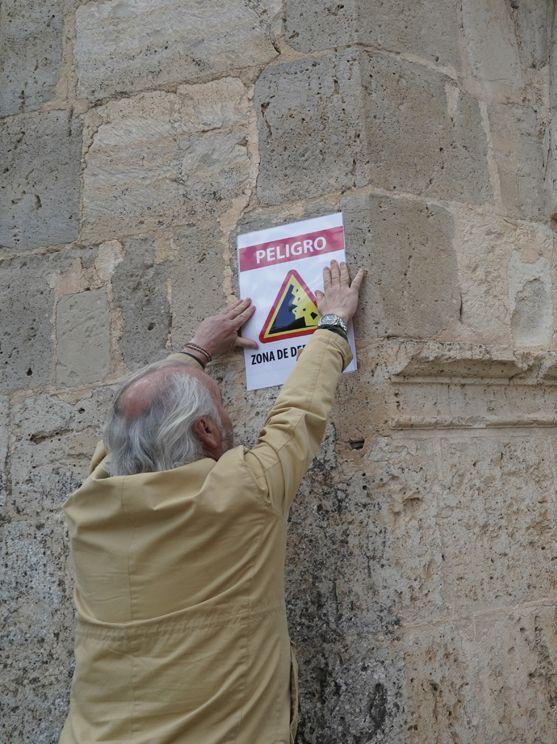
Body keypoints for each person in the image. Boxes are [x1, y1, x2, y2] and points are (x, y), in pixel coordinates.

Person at [59, 260, 366, 744]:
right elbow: (297, 415)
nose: (225, 411)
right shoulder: (245, 492)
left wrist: (195, 351)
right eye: (218, 403)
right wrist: (332, 322)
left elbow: (121, 430)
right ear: (205, 431)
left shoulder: (87, 507)